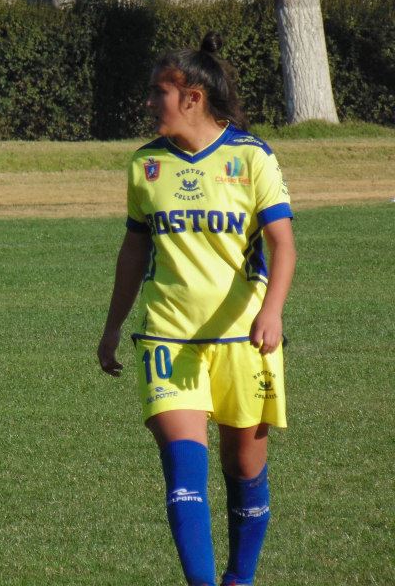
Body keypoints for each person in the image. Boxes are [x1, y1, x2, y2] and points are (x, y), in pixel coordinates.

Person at [97, 32, 296, 585]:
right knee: (184, 473)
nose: (148, 102)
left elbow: (283, 243)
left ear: (192, 97)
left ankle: (240, 578)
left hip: (243, 339)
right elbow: (134, 250)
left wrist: (272, 311)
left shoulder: (251, 157)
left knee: (243, 467)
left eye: (158, 92)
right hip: (167, 337)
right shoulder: (145, 166)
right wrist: (112, 327)